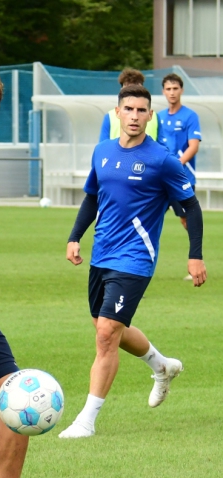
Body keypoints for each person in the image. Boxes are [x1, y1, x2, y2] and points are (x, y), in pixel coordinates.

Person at [58, 85, 206, 439]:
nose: (135, 116)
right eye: (129, 109)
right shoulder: (102, 151)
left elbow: (191, 206)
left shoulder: (162, 160)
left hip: (136, 258)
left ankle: (86, 421)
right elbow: (92, 198)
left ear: (150, 115)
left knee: (107, 334)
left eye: (142, 110)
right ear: (118, 113)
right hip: (102, 254)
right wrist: (75, 236)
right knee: (106, 326)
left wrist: (195, 255)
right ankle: (162, 366)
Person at [158, 74, 202, 279]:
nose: (172, 92)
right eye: (168, 89)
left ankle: (196, 259)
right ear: (163, 92)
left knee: (186, 220)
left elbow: (194, 146)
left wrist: (176, 164)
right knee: (146, 216)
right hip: (159, 179)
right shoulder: (157, 117)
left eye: (175, 88)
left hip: (181, 178)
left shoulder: (190, 116)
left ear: (181, 90)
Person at [99, 69, 159, 143]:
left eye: (141, 110)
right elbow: (103, 145)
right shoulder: (110, 116)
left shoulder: (155, 116)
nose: (135, 117)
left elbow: (163, 145)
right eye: (128, 89)